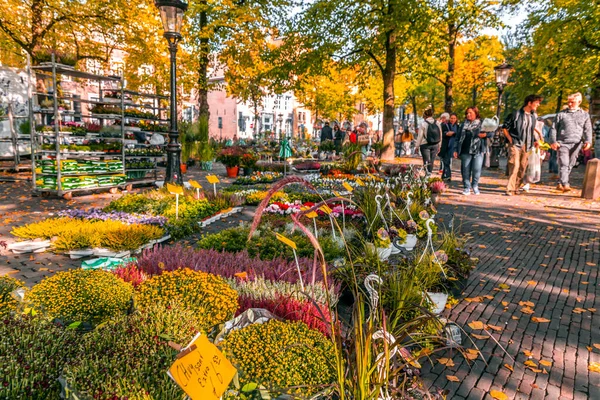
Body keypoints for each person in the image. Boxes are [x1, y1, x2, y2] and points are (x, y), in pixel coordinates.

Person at [549, 92, 593, 192]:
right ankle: (565, 183)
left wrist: (588, 141)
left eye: (572, 102)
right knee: (564, 163)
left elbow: (588, 129)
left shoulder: (585, 115)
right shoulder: (561, 114)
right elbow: (553, 128)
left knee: (571, 163)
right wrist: (553, 141)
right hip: (562, 143)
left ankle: (560, 182)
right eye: (568, 102)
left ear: (579, 102)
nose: (569, 104)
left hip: (577, 143)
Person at [502, 94, 543, 196]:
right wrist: (510, 139)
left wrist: (537, 139)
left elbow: (530, 129)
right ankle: (510, 189)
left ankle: (516, 187)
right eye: (536, 103)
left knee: (522, 167)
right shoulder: (516, 114)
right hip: (515, 143)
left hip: (527, 144)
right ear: (529, 103)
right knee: (514, 165)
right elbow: (504, 127)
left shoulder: (533, 116)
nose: (538, 105)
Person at [453, 106, 491, 195]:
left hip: (478, 150)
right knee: (465, 170)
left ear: (476, 113)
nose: (468, 115)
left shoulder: (482, 123)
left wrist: (485, 135)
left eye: (470, 113)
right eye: (467, 113)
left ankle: (475, 186)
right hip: (465, 150)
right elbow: (457, 138)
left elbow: (491, 132)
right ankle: (466, 187)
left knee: (476, 169)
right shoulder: (463, 124)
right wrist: (455, 149)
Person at [415, 108, 442, 175]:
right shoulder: (437, 123)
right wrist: (439, 145)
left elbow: (420, 136)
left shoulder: (423, 124)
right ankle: (429, 173)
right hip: (435, 144)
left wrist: (417, 146)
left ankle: (427, 175)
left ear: (425, 115)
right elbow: (440, 135)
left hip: (425, 145)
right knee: (431, 161)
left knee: (426, 161)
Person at [440, 113, 459, 181]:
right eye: (451, 118)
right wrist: (446, 134)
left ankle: (445, 176)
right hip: (446, 146)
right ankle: (448, 175)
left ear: (456, 119)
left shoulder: (458, 127)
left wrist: (454, 133)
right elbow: (442, 133)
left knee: (447, 162)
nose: (453, 120)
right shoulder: (445, 125)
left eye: (454, 118)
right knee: (446, 162)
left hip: (454, 146)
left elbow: (459, 135)